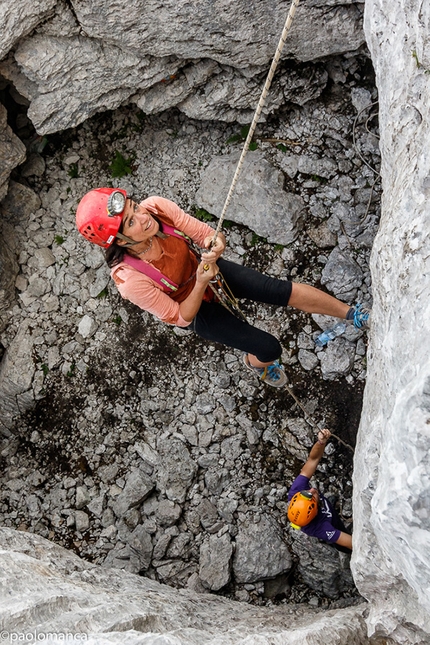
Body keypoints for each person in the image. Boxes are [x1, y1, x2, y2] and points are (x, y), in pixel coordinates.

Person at [75, 188, 370, 388]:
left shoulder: (158, 208)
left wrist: (214, 247)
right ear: (121, 242)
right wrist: (202, 280)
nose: (143, 217)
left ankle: (353, 315)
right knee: (268, 347)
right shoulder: (129, 279)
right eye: (130, 222)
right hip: (194, 307)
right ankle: (256, 364)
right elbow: (180, 318)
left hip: (207, 271)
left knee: (277, 290)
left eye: (134, 207)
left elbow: (205, 234)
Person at [287, 429, 352, 550]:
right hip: (332, 526)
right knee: (343, 545)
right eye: (312, 497)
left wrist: (321, 443)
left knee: (330, 510)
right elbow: (352, 543)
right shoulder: (320, 528)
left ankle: (329, 505)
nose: (311, 490)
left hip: (323, 513)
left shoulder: (297, 490)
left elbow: (313, 460)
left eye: (306, 493)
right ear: (315, 511)